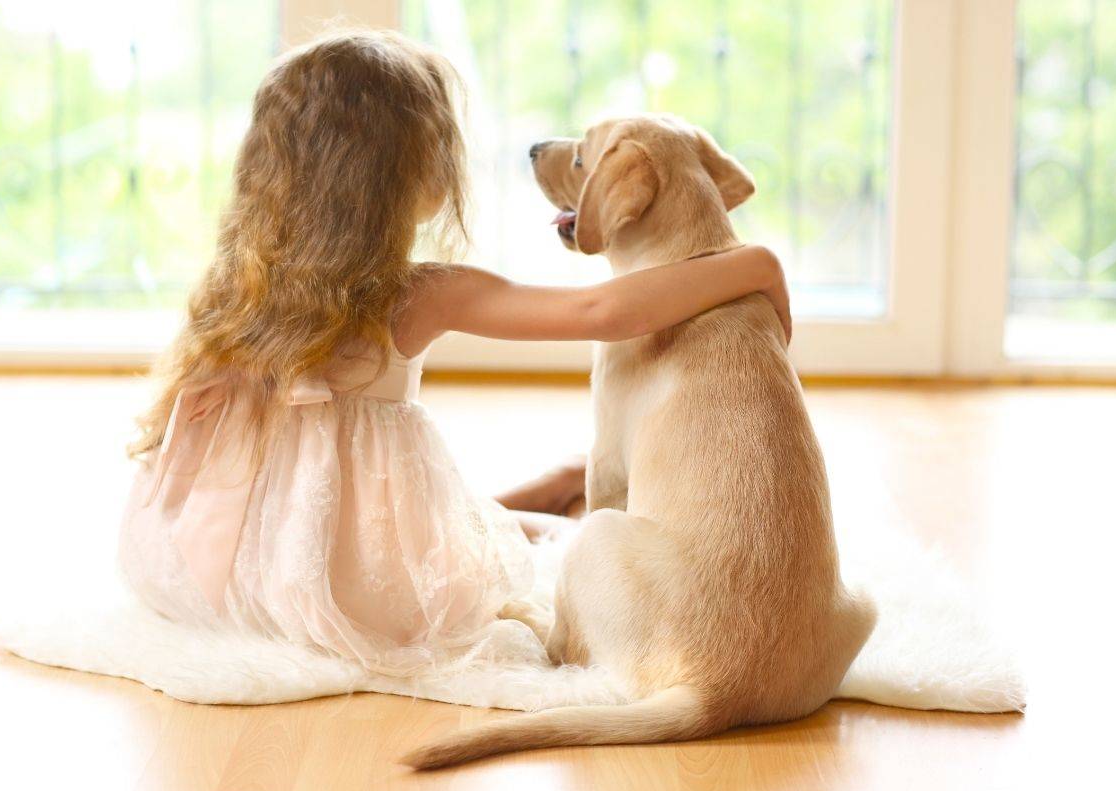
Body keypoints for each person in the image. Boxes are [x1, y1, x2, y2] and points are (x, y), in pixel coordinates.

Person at [119, 29, 791, 677]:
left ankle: (553, 489)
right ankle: (557, 494)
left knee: (471, 527)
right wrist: (756, 266)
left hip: (238, 551)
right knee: (487, 553)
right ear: (419, 176)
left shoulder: (240, 284)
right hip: (353, 573)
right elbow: (601, 313)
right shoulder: (421, 295)